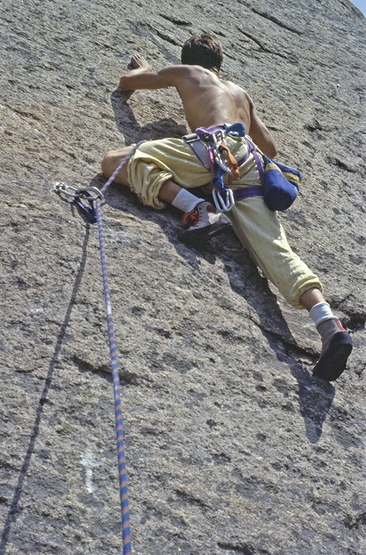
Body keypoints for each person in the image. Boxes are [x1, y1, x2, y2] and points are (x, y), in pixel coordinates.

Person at [101, 33, 352, 382]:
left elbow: (127, 82)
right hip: (246, 164)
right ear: (220, 64)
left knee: (116, 161)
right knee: (277, 250)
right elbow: (271, 148)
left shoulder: (186, 71)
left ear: (189, 59)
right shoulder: (239, 93)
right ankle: (328, 324)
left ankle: (195, 207)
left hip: (211, 151)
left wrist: (146, 69)